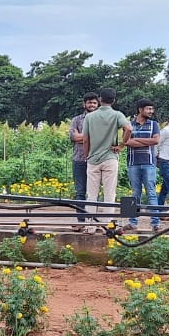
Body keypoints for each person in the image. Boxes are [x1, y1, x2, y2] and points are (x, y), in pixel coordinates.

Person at [80, 88, 131, 233]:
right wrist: (121, 145)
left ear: (100, 99)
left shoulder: (90, 117)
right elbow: (129, 129)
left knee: (92, 195)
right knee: (109, 193)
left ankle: (90, 226)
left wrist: (87, 155)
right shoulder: (117, 115)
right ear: (114, 100)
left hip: (93, 159)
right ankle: (106, 226)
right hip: (110, 158)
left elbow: (85, 139)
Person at [123, 99, 160, 231]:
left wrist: (136, 140)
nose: (151, 111)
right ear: (140, 110)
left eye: (152, 109)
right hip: (133, 163)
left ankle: (156, 223)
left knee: (151, 193)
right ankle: (132, 222)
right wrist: (146, 142)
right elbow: (126, 141)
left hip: (149, 163)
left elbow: (156, 140)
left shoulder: (154, 124)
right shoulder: (129, 125)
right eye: (148, 109)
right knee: (135, 194)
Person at [69, 92, 99, 232]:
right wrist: (88, 137)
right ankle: (81, 221)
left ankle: (94, 221)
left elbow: (100, 138)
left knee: (94, 192)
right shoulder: (76, 120)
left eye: (94, 103)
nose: (92, 105)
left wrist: (83, 137)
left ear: (98, 104)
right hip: (79, 159)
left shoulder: (101, 119)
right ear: (84, 104)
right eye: (89, 103)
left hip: (96, 159)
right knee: (80, 192)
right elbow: (73, 137)